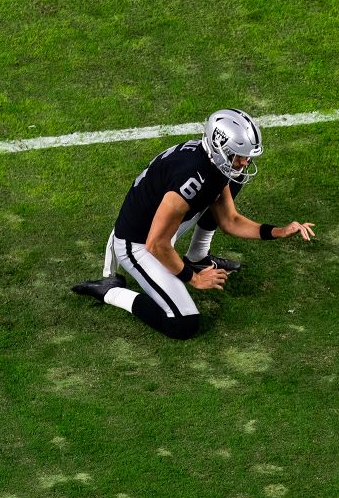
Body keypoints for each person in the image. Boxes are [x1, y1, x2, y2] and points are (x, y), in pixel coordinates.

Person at [71, 108, 314, 340]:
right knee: (182, 323)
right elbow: (156, 243)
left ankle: (197, 256)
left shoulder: (211, 163)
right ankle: (111, 292)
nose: (244, 163)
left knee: (232, 182)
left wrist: (279, 232)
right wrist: (194, 279)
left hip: (161, 227)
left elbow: (230, 220)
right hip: (139, 242)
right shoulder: (192, 180)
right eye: (239, 156)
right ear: (220, 148)